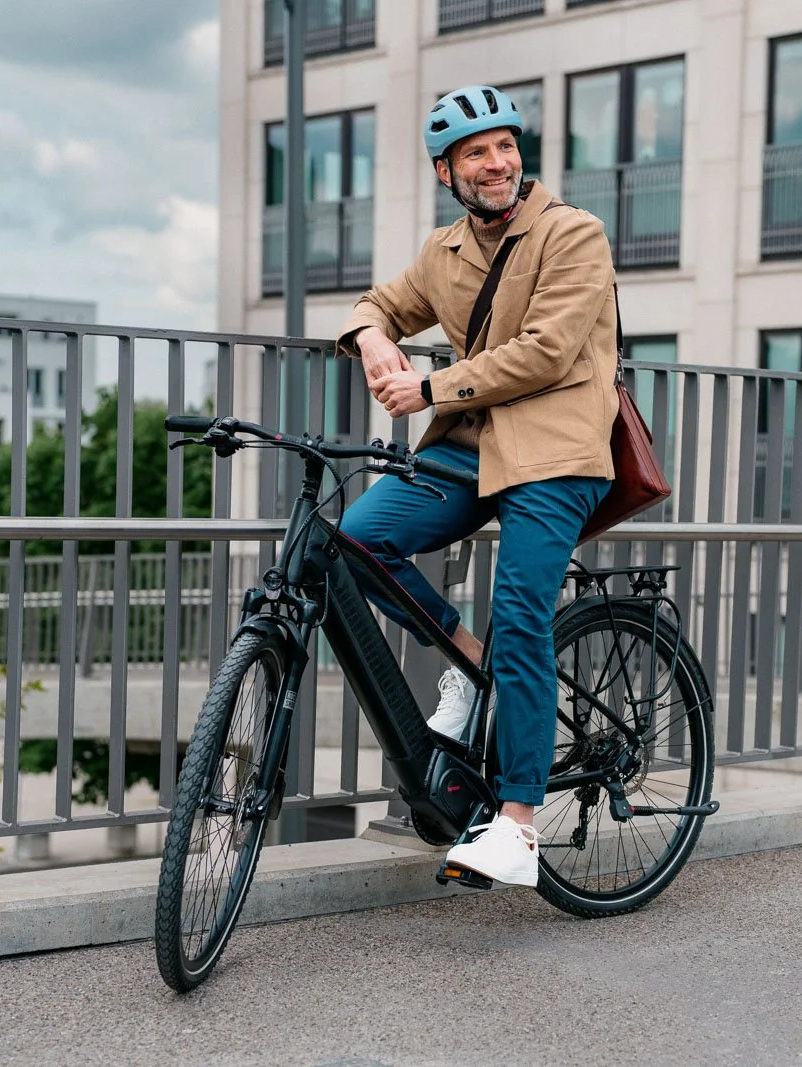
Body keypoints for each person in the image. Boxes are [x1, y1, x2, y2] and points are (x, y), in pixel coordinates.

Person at [335, 85, 619, 887]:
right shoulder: (446, 250)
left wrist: (425, 388)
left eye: (505, 146)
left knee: (522, 610)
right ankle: (466, 658)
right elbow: (379, 302)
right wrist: (370, 338)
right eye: (476, 153)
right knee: (357, 542)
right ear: (446, 170)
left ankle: (518, 825)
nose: (497, 163)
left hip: (556, 450)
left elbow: (546, 353)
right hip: (475, 444)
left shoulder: (573, 234)